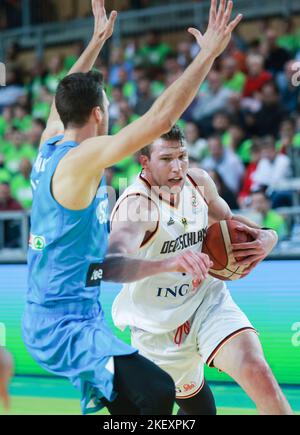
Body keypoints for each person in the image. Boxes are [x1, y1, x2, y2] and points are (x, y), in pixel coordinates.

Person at [22, 0, 243, 415]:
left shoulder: (51, 143)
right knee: (157, 393)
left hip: (71, 318)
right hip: (63, 325)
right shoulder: (81, 160)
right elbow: (159, 120)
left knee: (148, 406)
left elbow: (66, 92)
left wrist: (96, 41)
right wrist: (208, 54)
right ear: (99, 113)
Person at [109, 125, 293, 415]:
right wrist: (170, 262)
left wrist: (268, 236)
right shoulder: (136, 206)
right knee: (201, 413)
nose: (178, 167)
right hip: (158, 327)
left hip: (208, 301)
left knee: (257, 370)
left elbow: (231, 224)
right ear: (145, 162)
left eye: (183, 156)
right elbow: (110, 265)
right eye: (167, 159)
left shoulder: (199, 183)